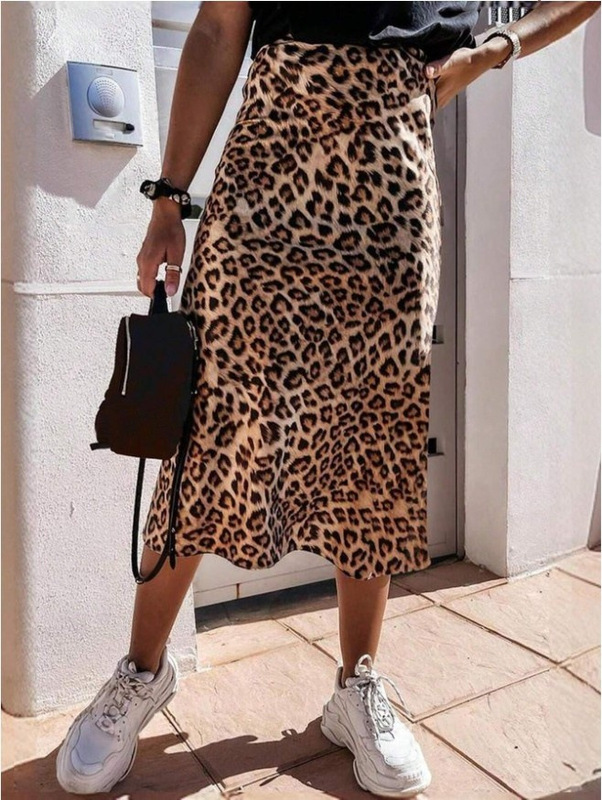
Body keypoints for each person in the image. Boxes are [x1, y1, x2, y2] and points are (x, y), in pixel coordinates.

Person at [56, 2, 600, 796]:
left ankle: (357, 685)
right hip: (266, 169)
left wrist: (496, 47)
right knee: (209, 434)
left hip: (393, 177)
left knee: (374, 438)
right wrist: (168, 200)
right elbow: (216, 28)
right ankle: (142, 672)